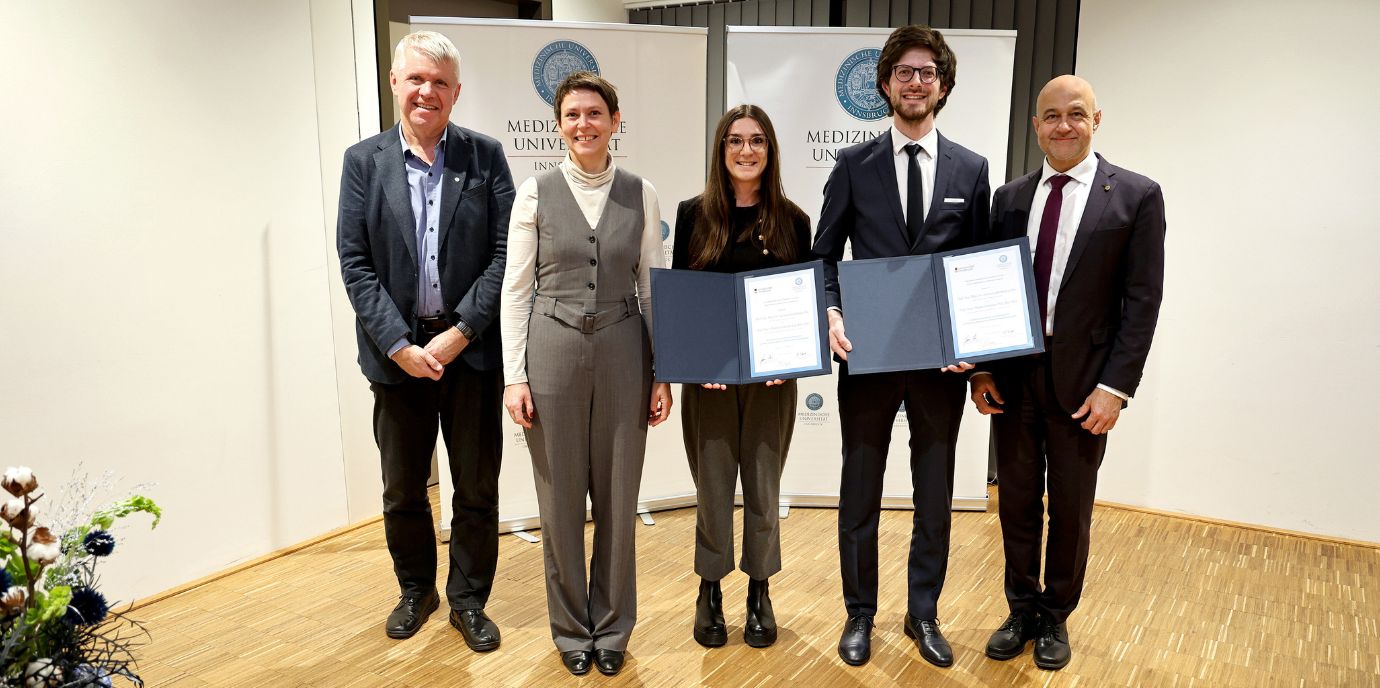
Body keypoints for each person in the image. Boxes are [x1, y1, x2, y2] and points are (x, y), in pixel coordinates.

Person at [970, 74, 1165, 671]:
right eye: (1051, 116)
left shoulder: (1135, 196)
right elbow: (986, 289)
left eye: (1075, 114)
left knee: (1071, 507)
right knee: (1016, 502)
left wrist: (1116, 389)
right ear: (1036, 126)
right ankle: (1020, 609)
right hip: (1014, 377)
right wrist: (980, 369)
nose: (1063, 125)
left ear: (1095, 120)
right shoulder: (1008, 199)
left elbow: (1142, 302)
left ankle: (1056, 614)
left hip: (1086, 384)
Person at [811, 24, 991, 668]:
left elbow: (979, 267)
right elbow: (824, 256)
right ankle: (859, 612)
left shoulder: (972, 169)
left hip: (942, 364)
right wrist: (831, 310)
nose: (916, 83)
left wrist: (977, 347)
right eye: (904, 72)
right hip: (869, 356)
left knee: (934, 494)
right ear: (886, 84)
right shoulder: (853, 166)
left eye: (927, 72)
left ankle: (924, 612)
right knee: (860, 489)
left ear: (943, 85)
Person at [336, 31, 512, 650]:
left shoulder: (485, 157)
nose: (426, 92)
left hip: (471, 353)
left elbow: (506, 256)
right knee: (403, 488)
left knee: (476, 486)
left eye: (439, 82)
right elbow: (355, 263)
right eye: (415, 78)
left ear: (456, 91)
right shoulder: (363, 162)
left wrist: (461, 332)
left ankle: (469, 599)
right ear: (395, 83)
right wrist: (398, 345)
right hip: (398, 358)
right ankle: (416, 589)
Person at [500, 71, 673, 677]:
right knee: (560, 500)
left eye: (595, 113)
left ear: (614, 121)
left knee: (620, 497)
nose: (584, 124)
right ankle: (572, 628)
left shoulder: (641, 192)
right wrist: (514, 376)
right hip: (551, 351)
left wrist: (663, 371)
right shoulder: (534, 192)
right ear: (558, 124)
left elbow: (651, 287)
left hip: (625, 349)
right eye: (572, 115)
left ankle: (614, 626)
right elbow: (516, 290)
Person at [671, 105, 812, 650]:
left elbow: (803, 301)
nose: (746, 150)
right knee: (711, 490)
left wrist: (790, 360)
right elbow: (682, 298)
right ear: (721, 149)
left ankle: (759, 590)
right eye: (735, 141)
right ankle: (709, 589)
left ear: (770, 150)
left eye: (757, 141)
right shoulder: (693, 215)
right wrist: (695, 361)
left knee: (763, 487)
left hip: (771, 385)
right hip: (707, 383)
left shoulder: (793, 220)